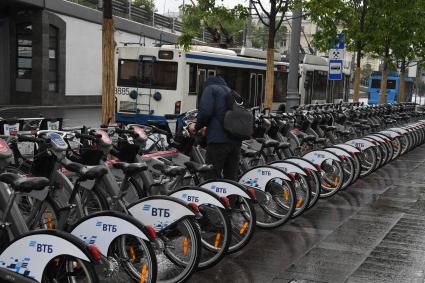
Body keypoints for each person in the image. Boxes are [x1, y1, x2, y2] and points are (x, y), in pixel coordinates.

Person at [188, 75, 241, 180]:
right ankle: (232, 196)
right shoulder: (230, 91)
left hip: (218, 140)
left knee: (211, 176)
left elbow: (205, 112)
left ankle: (212, 196)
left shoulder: (210, 89)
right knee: (231, 178)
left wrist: (196, 126)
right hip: (236, 141)